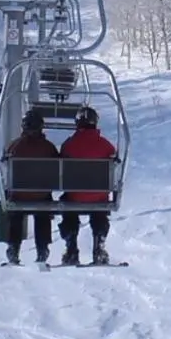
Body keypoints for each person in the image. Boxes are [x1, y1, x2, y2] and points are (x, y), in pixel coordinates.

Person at [57, 104, 117, 265]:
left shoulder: (69, 144)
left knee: (68, 205)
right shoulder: (105, 144)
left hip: (75, 196)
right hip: (99, 196)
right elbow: (114, 158)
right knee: (99, 210)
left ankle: (71, 249)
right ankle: (99, 247)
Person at [2, 109, 59, 264]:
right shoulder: (48, 147)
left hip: (18, 195)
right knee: (42, 210)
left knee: (15, 211)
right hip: (41, 195)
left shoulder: (14, 146)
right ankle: (42, 249)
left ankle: (13, 248)